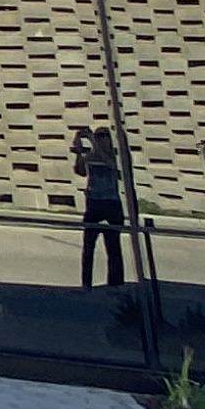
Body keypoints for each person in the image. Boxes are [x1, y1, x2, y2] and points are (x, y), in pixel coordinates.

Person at [74, 122, 132, 288]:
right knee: (88, 247)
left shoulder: (113, 156)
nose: (99, 139)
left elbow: (111, 165)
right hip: (94, 204)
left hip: (111, 204)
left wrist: (92, 140)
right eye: (97, 136)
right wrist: (79, 151)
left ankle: (115, 284)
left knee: (113, 247)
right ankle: (86, 283)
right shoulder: (92, 156)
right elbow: (80, 170)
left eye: (102, 136)